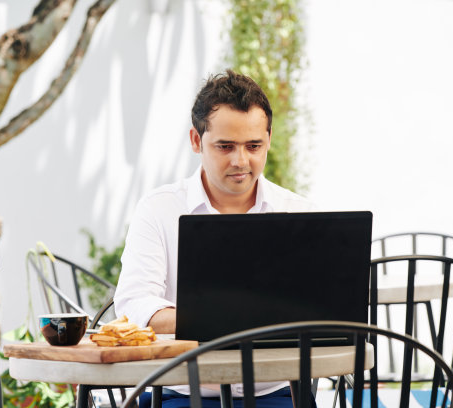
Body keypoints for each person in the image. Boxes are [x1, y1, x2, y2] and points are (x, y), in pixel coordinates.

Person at [114, 69, 317, 408]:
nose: (241, 161)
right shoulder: (159, 210)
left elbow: (324, 312)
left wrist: (219, 317)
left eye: (254, 146)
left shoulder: (300, 212)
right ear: (197, 141)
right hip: (181, 392)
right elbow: (134, 306)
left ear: (269, 139)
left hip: (279, 393)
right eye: (225, 146)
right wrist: (227, 315)